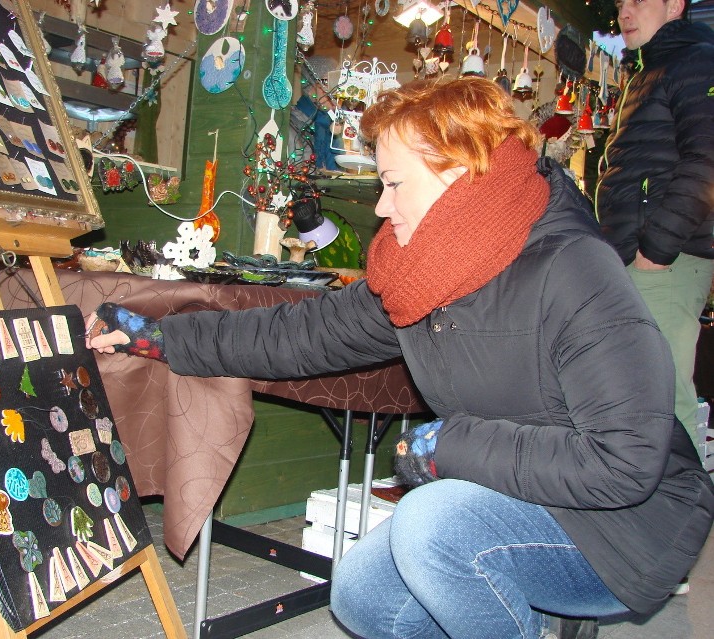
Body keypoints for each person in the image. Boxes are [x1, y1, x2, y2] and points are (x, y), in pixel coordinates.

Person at [86, 78, 714, 639]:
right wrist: (161, 337)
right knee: (361, 594)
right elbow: (298, 332)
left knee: (432, 525)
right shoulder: (421, 276)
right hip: (508, 496)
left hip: (622, 528)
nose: (382, 207)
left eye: (391, 184)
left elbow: (627, 461)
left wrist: (454, 448)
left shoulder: (572, 269)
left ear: (458, 172)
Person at [595, 0, 714, 456]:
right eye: (621, 2)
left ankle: (684, 518)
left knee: (663, 395)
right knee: (637, 391)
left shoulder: (694, 60)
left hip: (666, 260)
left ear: (675, 6)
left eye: (639, 1)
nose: (625, 11)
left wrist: (655, 252)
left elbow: (706, 162)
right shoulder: (651, 70)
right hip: (638, 256)